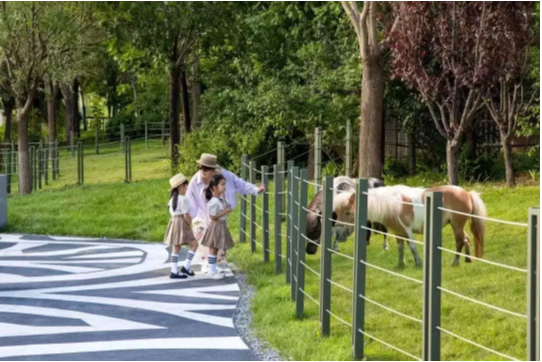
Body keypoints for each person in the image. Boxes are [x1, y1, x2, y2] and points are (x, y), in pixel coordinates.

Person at [188, 154, 264, 272]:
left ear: (213, 171)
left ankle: (216, 263)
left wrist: (255, 190)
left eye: (205, 172)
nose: (203, 174)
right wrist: (186, 218)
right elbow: (190, 201)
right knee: (202, 236)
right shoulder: (195, 181)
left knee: (218, 241)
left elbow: (240, 184)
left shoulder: (225, 176)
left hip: (220, 215)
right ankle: (206, 263)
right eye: (201, 171)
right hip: (202, 215)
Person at [164, 173, 199, 279]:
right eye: (185, 185)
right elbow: (186, 215)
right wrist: (189, 225)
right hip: (182, 223)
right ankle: (186, 266)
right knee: (194, 244)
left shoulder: (171, 200)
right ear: (181, 186)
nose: (187, 187)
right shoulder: (184, 199)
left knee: (176, 247)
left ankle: (174, 271)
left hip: (173, 222)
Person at [200, 175, 235, 280]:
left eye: (225, 184)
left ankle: (213, 268)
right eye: (222, 184)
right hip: (216, 225)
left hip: (221, 224)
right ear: (215, 187)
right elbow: (212, 216)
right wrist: (225, 212)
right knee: (213, 248)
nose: (224, 187)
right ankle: (211, 270)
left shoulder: (220, 199)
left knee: (215, 248)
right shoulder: (213, 201)